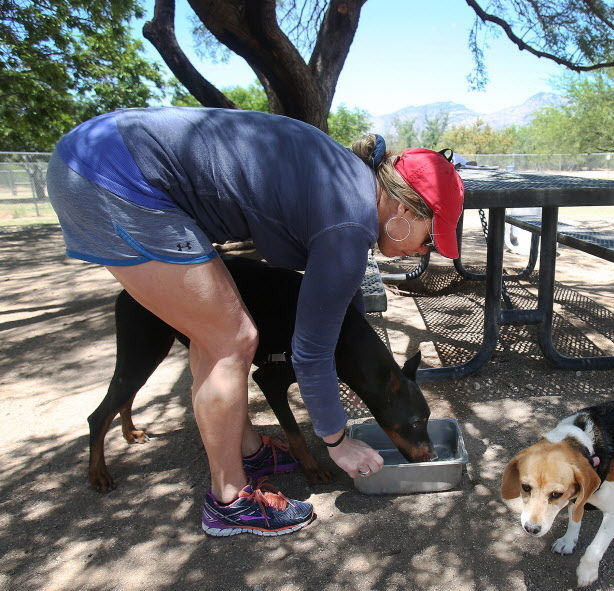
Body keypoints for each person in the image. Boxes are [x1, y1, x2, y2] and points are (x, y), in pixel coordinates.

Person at [47, 107, 464, 537]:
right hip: (113, 176)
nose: (422, 252)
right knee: (233, 339)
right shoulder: (349, 220)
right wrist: (337, 442)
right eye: (429, 238)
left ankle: (247, 450)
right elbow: (312, 350)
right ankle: (229, 501)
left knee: (216, 333)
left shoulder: (348, 180)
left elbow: (339, 294)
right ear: (404, 209)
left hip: (105, 150)